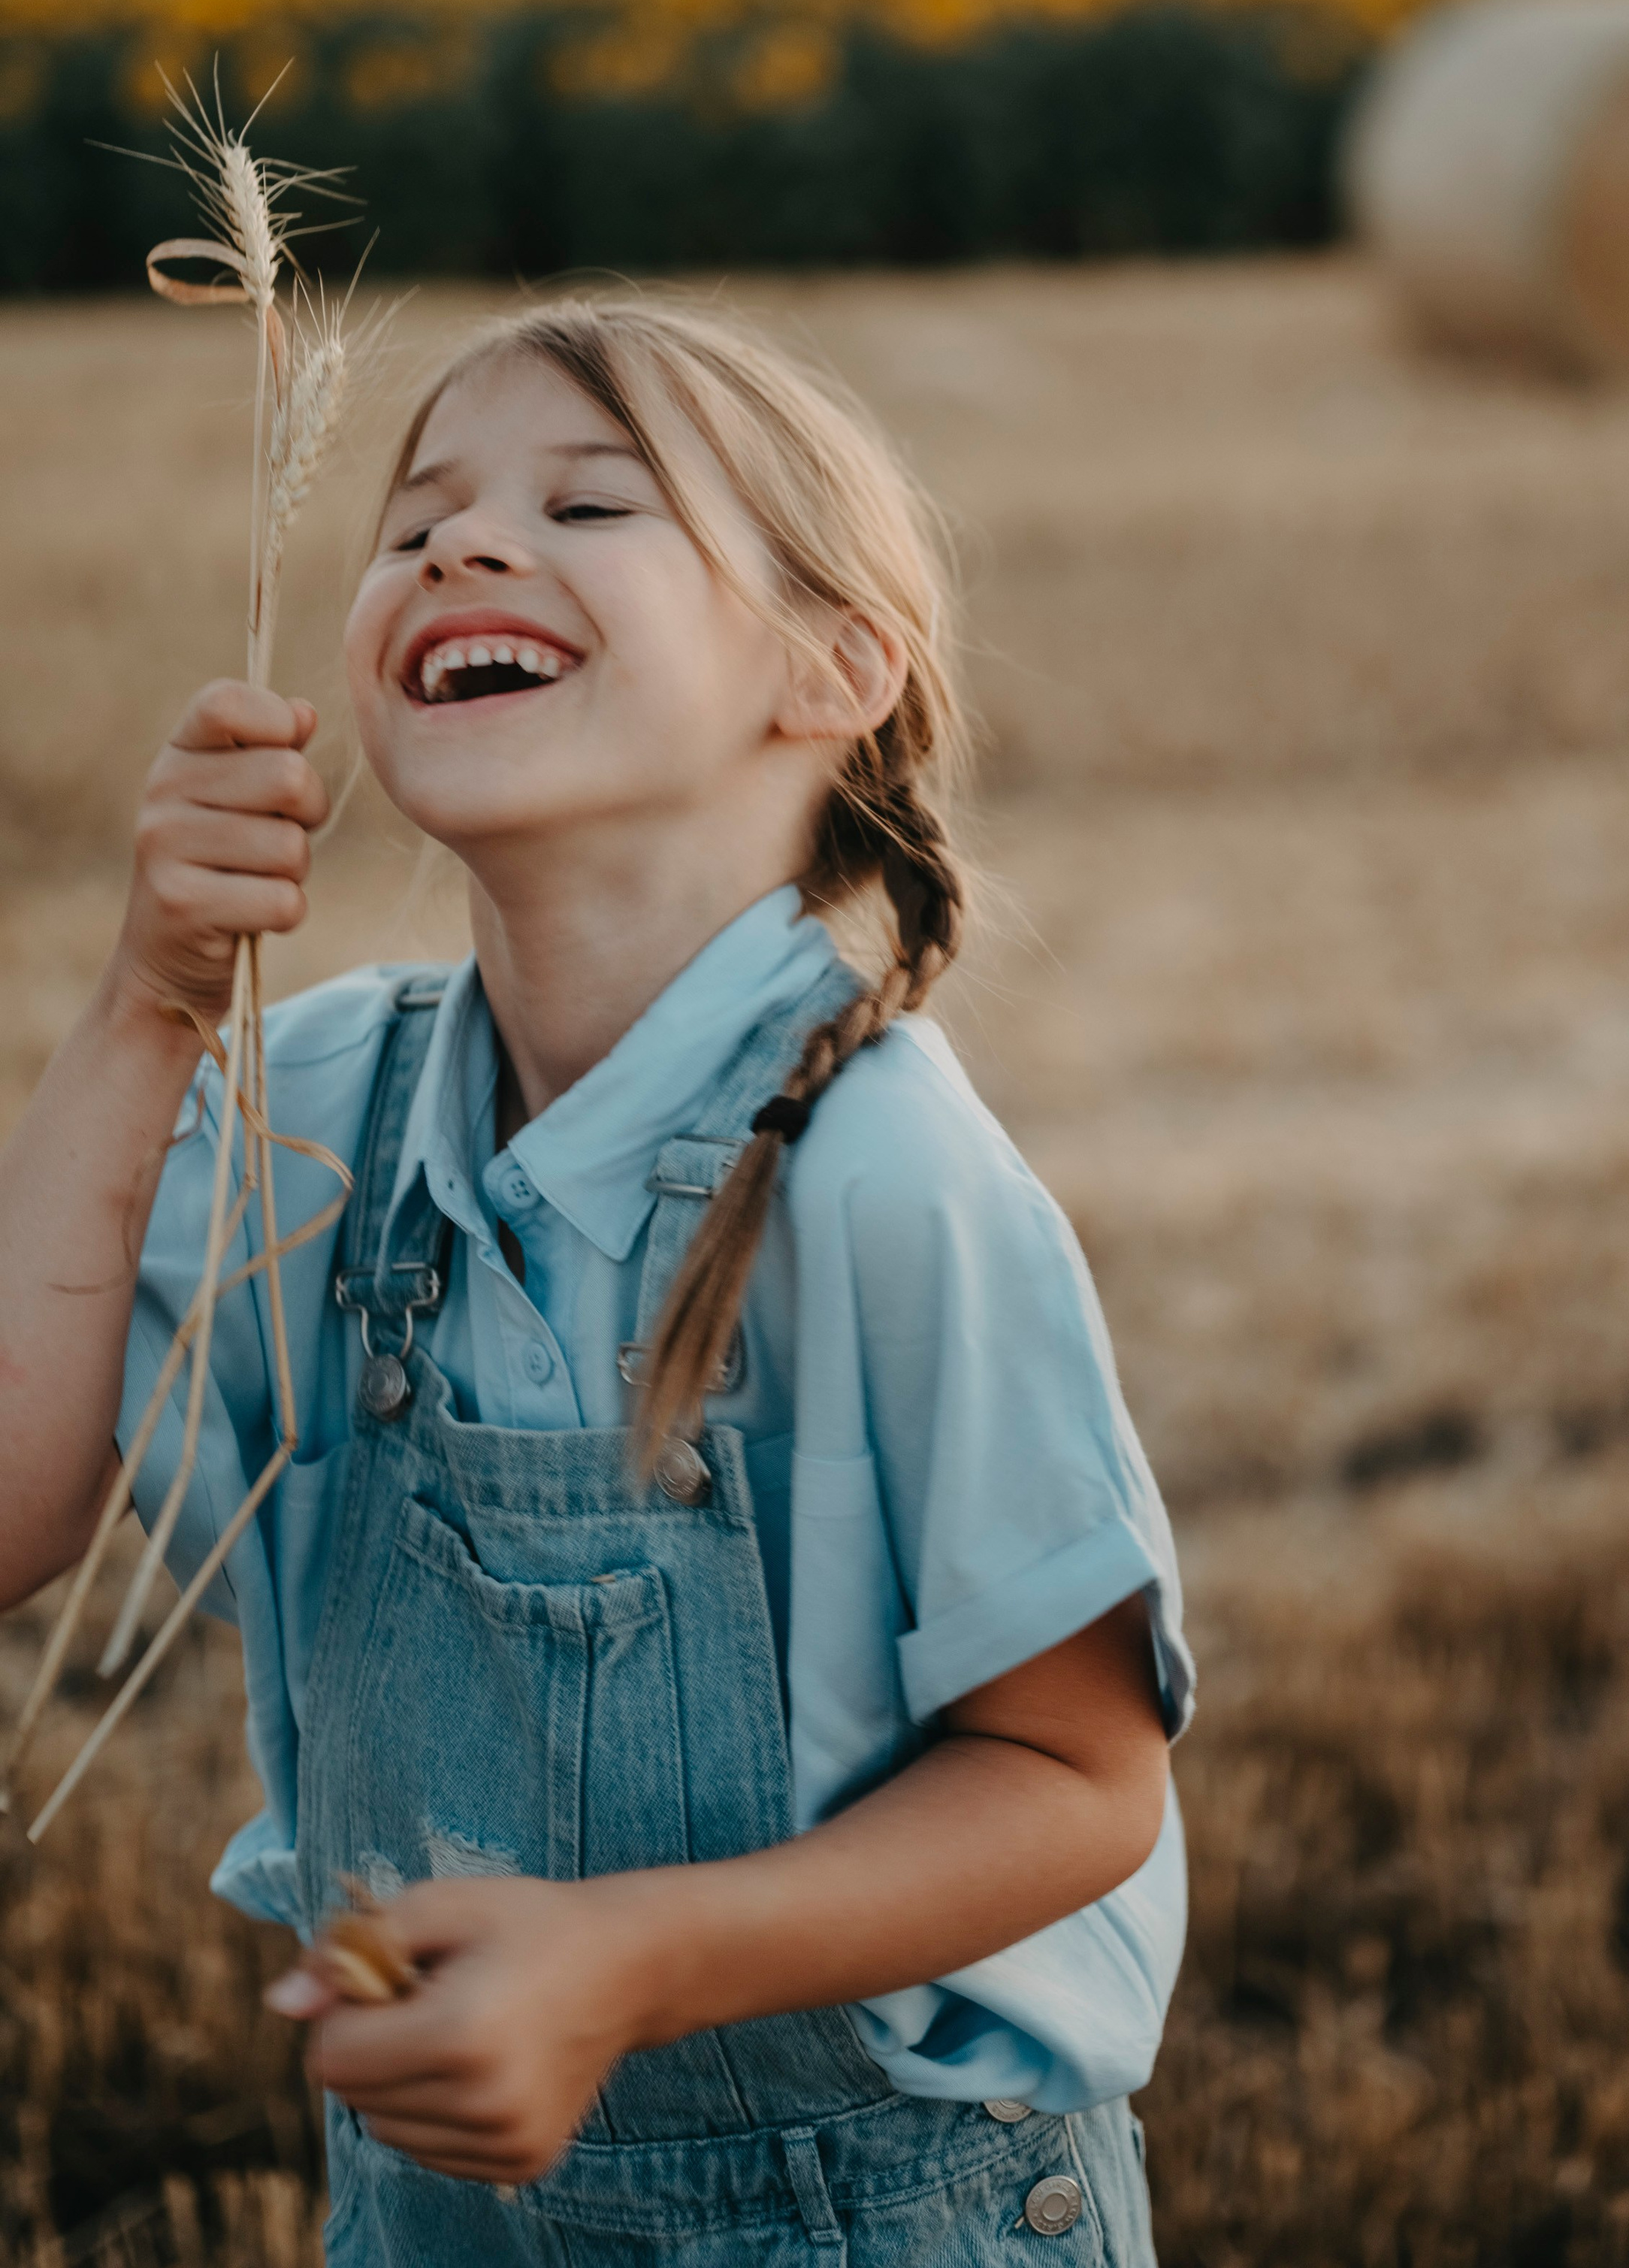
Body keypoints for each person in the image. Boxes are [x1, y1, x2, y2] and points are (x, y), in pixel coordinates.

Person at [0, 295, 1192, 2264]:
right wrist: (149, 1009)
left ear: (833, 668)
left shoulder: (883, 1177)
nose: (463, 546)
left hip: (872, 2222)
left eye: (589, 500)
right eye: (418, 521)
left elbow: (1075, 1779)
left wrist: (631, 1962)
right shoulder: (311, 1117)